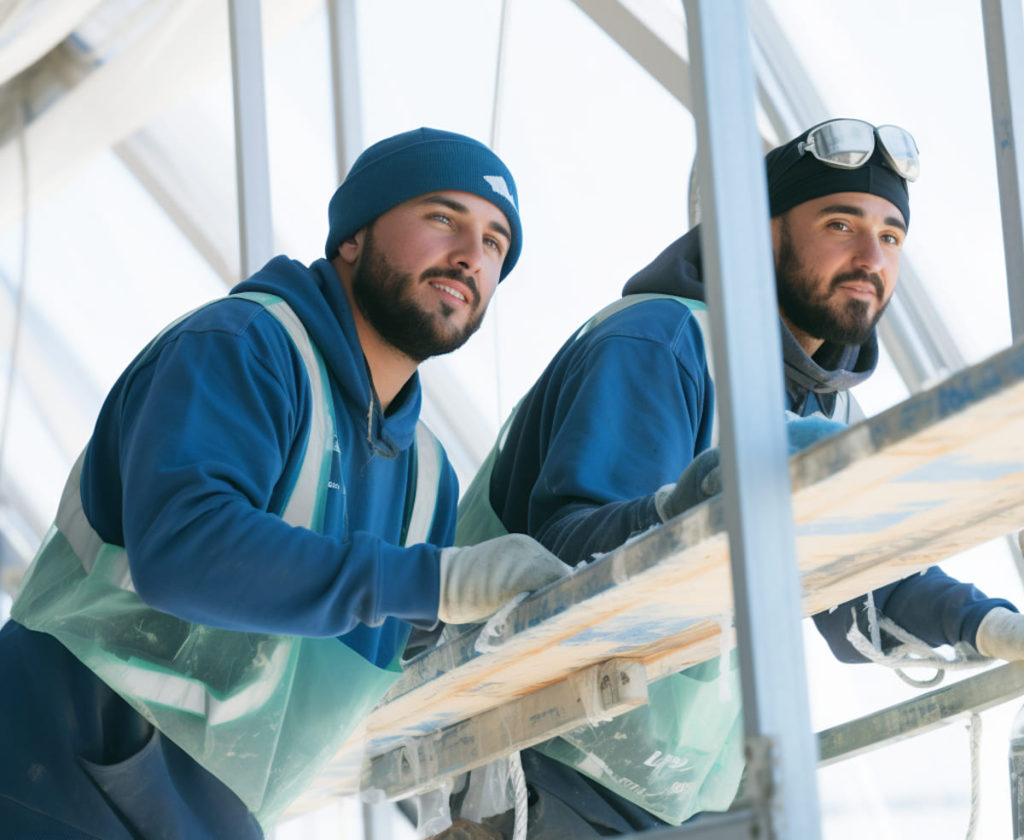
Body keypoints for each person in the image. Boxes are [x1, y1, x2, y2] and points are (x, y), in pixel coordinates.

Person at [448, 118, 1024, 837]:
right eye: (840, 225)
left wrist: (986, 625)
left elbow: (859, 580)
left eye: (891, 236)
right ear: (762, 234)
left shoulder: (825, 408)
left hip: (679, 779)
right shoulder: (660, 342)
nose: (870, 257)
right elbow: (562, 557)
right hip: (548, 754)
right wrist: (683, 512)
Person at [0, 127, 570, 839]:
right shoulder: (244, 347)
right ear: (353, 236)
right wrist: (438, 582)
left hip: (211, 819)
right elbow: (185, 550)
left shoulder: (428, 478)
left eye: (494, 243)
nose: (470, 255)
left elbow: (346, 677)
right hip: (51, 780)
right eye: (442, 217)